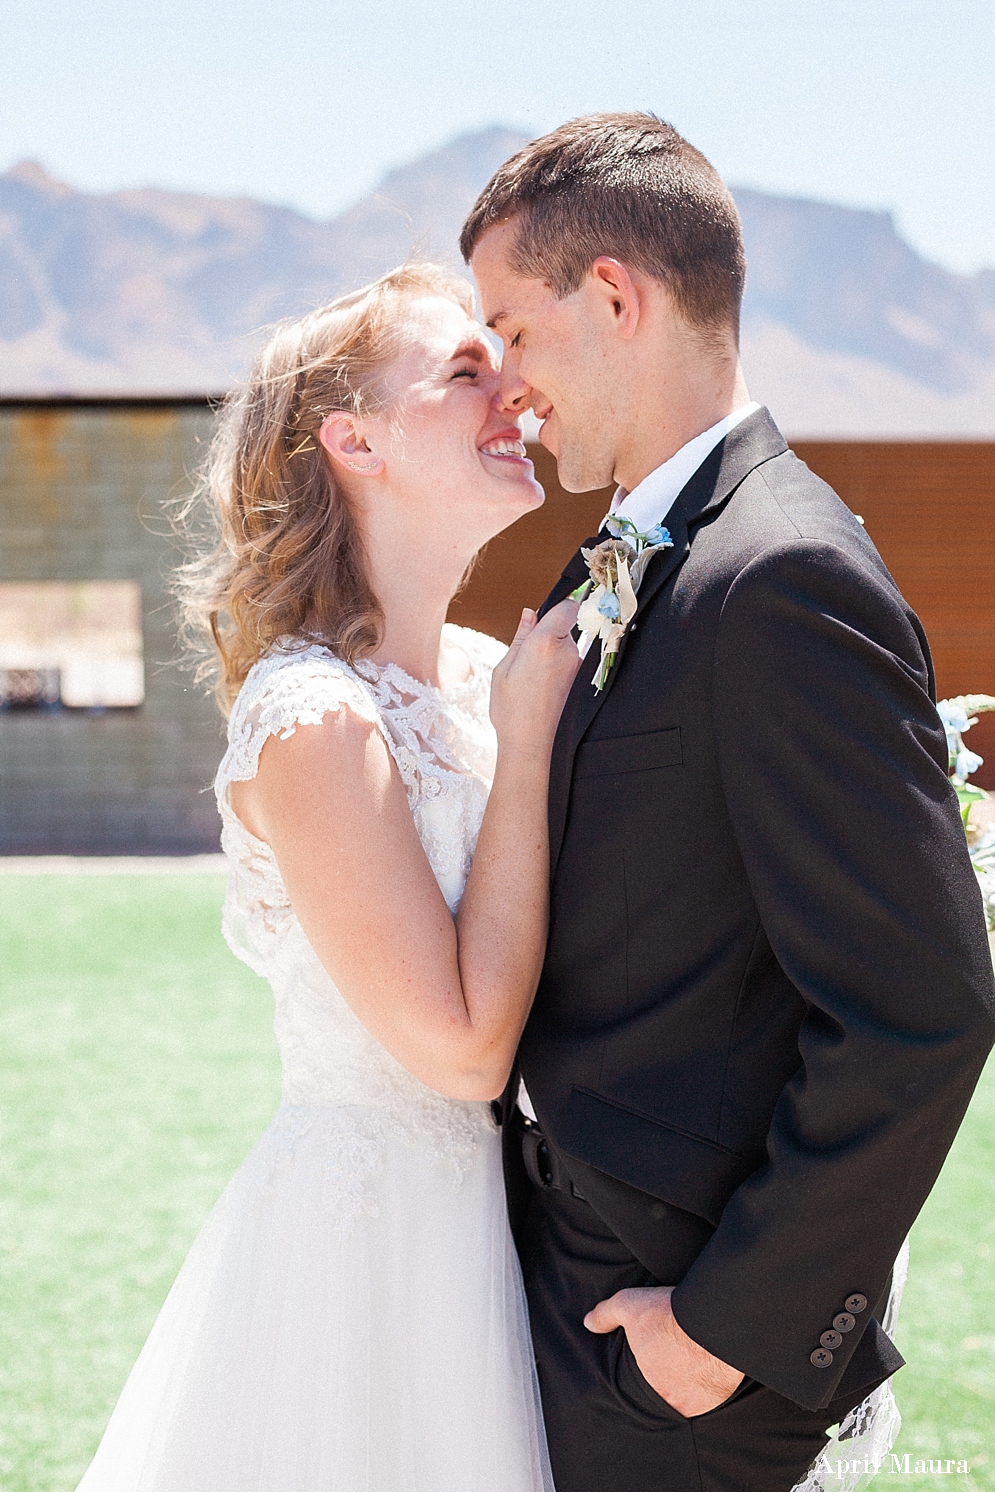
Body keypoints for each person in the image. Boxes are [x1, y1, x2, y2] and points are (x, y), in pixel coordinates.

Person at [462, 113, 995, 1492]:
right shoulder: (625, 559)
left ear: (616, 297)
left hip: (673, 1353)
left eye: (513, 331)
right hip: (562, 1286)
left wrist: (720, 1335)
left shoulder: (781, 579)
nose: (505, 384)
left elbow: (918, 1006)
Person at [75, 263, 580, 1492]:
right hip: (367, 1267)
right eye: (463, 371)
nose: (510, 389)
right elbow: (458, 1051)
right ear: (353, 440)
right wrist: (524, 760)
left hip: (511, 1241)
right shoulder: (310, 719)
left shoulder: (479, 674)